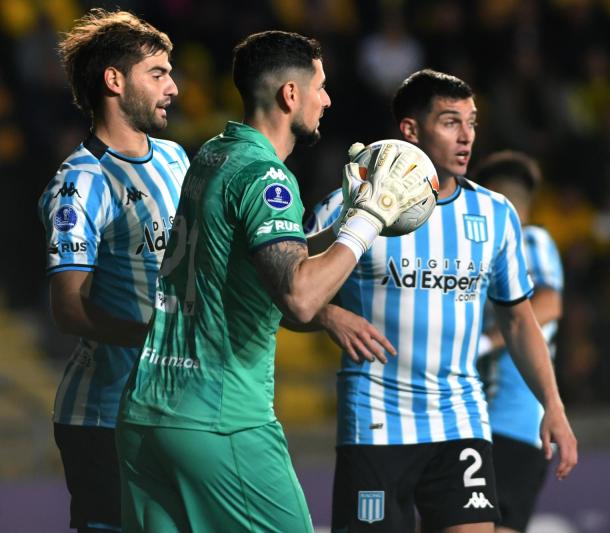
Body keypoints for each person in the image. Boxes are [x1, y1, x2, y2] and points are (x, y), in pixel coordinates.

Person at [115, 30, 430, 533]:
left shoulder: (214, 156)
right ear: (290, 94)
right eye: (320, 87)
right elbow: (300, 299)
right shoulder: (267, 177)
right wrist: (369, 219)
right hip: (220, 421)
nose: (326, 99)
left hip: (146, 417)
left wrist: (344, 218)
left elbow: (257, 267)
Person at [305, 69, 577, 532]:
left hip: (460, 423)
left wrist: (553, 404)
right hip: (375, 426)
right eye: (451, 122)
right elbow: (287, 292)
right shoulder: (351, 205)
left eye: (471, 122)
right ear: (411, 130)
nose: (467, 136)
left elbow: (518, 320)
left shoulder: (494, 214)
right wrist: (328, 314)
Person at [36, 9, 186, 533]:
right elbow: (68, 308)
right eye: (159, 73)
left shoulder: (176, 160)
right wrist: (160, 338)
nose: (173, 86)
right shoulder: (81, 181)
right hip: (102, 416)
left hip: (172, 409)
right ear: (114, 80)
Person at [473, 151, 564, 533]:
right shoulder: (482, 252)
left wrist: (486, 341)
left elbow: (549, 302)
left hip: (514, 423)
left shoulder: (531, 240)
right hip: (482, 420)